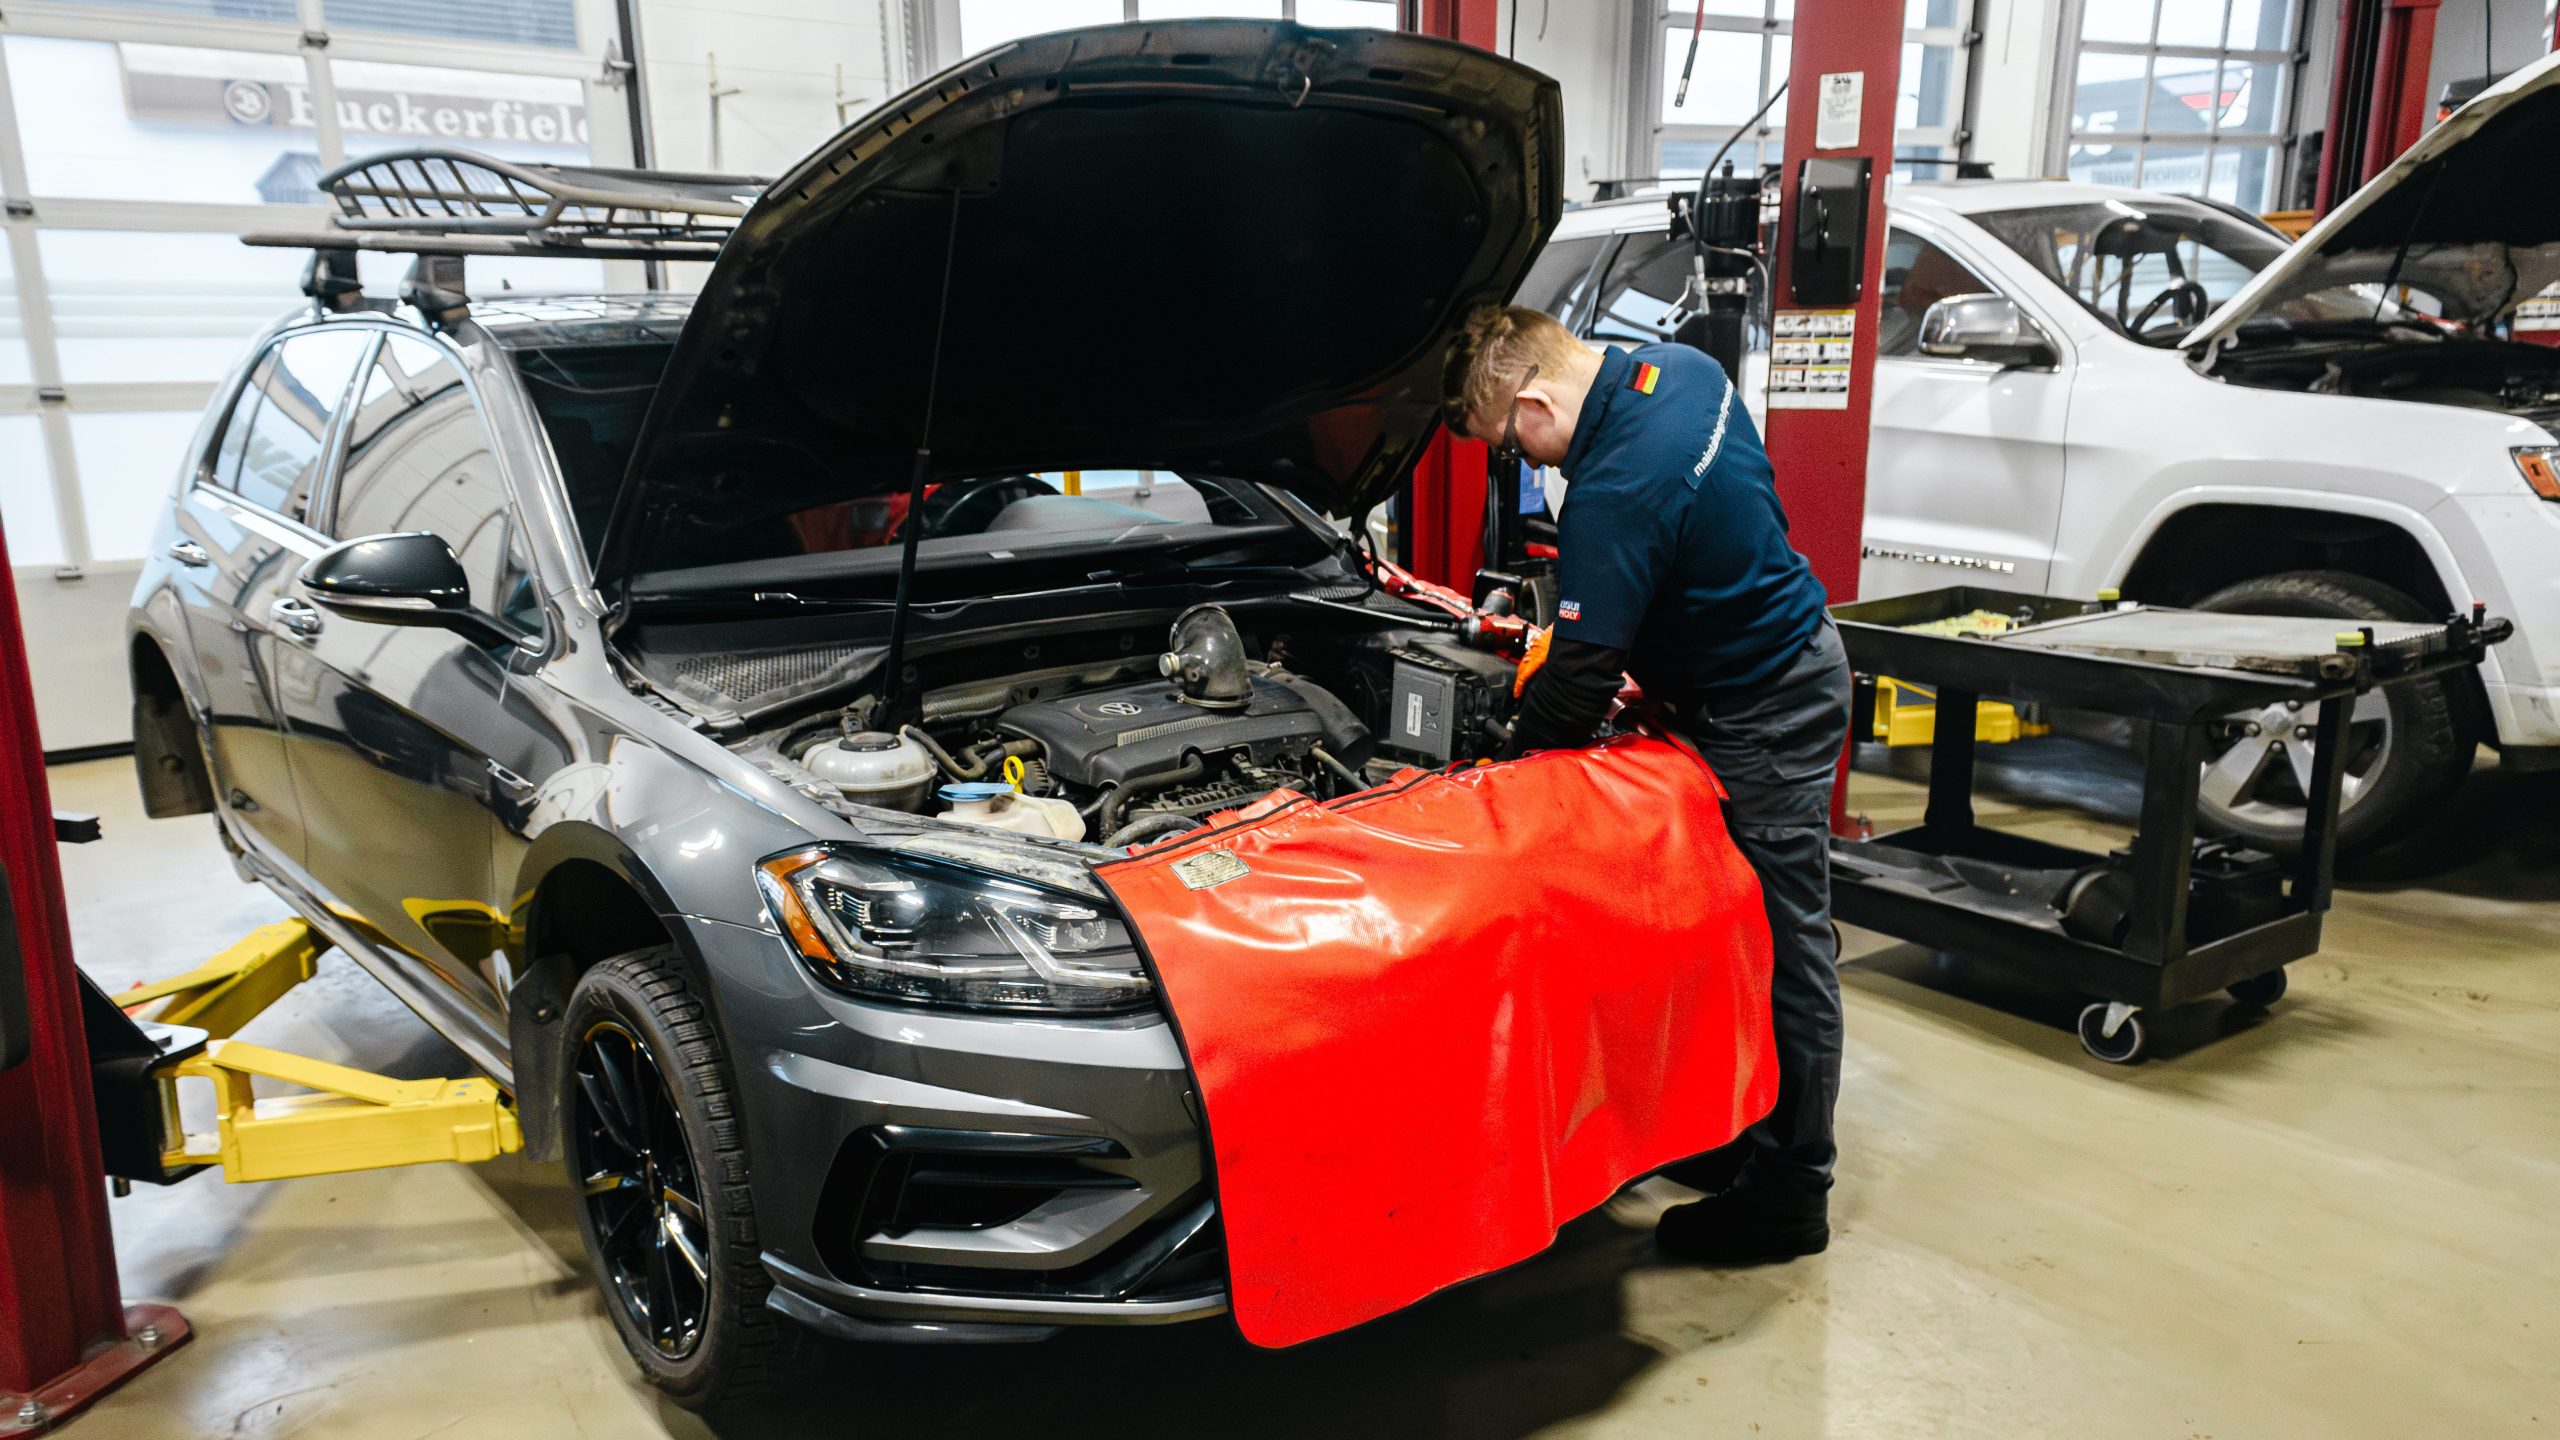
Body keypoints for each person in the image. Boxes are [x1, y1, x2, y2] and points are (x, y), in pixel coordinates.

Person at [1441, 304, 1854, 1263]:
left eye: (1511, 442)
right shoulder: (1681, 370)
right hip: (1776, 664)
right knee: (1723, 929)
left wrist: (1495, 782)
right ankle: (1741, 1129)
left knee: (1787, 949)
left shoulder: (1617, 484)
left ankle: (1793, 1189)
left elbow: (1580, 675)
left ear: (1535, 400)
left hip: (1763, 711)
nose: (1525, 461)